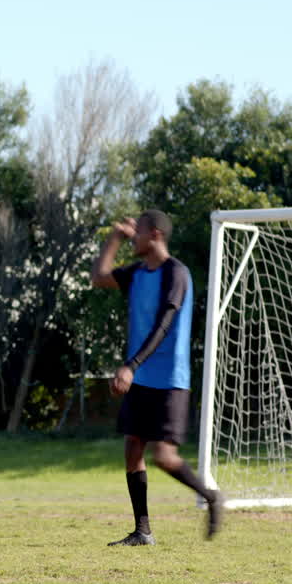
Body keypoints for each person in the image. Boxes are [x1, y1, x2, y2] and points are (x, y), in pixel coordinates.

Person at [91, 209, 223, 546]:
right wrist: (115, 237)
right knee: (133, 448)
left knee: (164, 457)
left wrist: (130, 366)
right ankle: (142, 531)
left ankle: (211, 497)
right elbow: (99, 276)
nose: (134, 237)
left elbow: (164, 326)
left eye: (138, 232)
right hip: (140, 376)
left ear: (156, 235)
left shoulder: (176, 273)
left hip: (169, 379)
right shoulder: (136, 272)